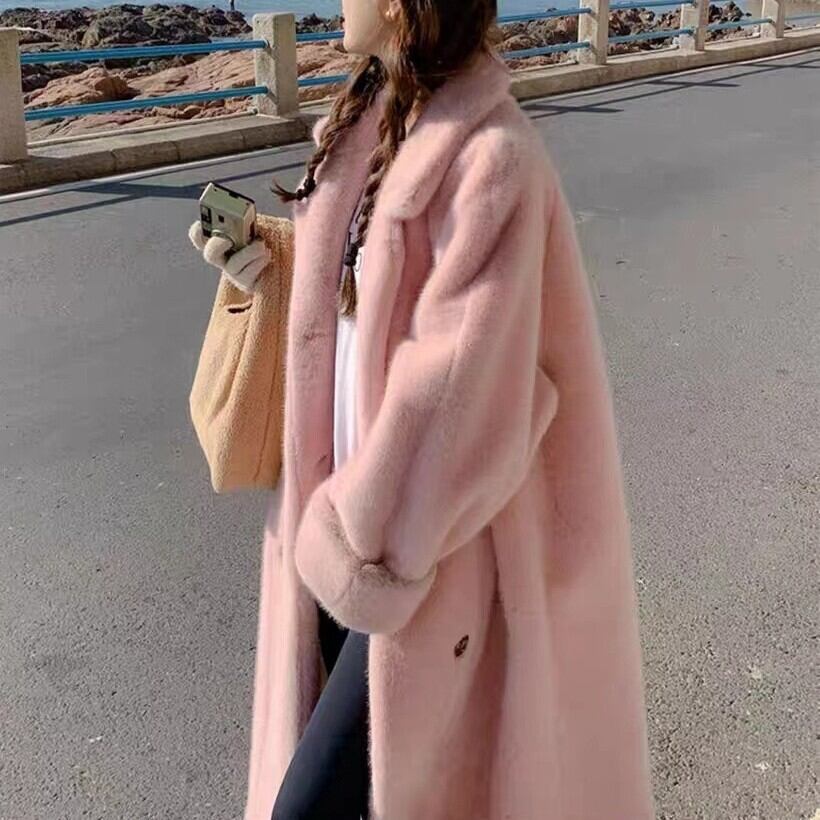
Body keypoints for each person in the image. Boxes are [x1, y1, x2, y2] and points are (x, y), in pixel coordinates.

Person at [190, 1, 656, 818]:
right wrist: (270, 264)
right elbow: (367, 295)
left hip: (413, 562)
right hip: (348, 528)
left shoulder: (492, 160)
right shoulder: (370, 120)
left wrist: (351, 543)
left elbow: (461, 392)